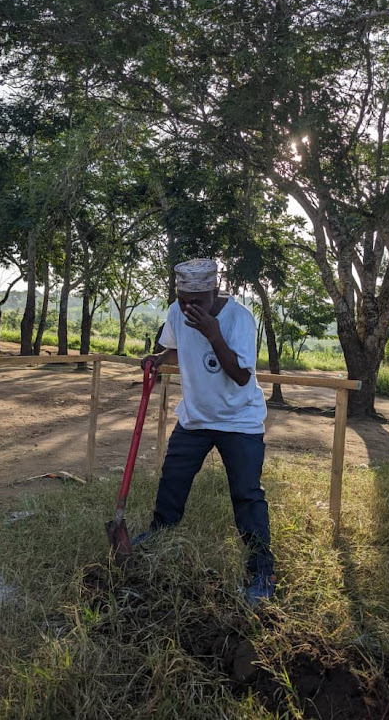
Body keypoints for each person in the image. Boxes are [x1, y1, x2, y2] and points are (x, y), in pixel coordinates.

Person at [135, 258, 276, 605]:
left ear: (215, 291)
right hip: (195, 419)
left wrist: (213, 334)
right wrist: (157, 359)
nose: (189, 308)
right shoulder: (176, 312)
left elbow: (242, 376)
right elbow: (174, 348)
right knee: (172, 481)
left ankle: (261, 569)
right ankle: (159, 536)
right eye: (183, 299)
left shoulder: (239, 318)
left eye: (197, 301)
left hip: (239, 421)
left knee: (247, 495)